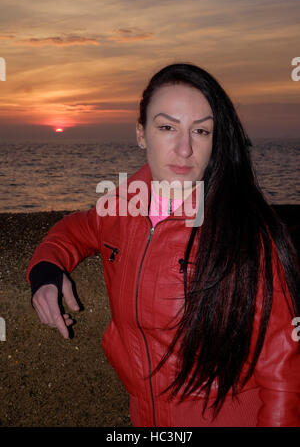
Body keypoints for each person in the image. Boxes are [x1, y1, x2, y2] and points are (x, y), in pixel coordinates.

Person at [26, 62, 300, 427]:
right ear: (141, 133)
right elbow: (76, 229)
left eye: (200, 131)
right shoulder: (124, 204)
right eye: (167, 127)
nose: (184, 148)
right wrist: (46, 272)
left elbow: (284, 373)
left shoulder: (245, 231)